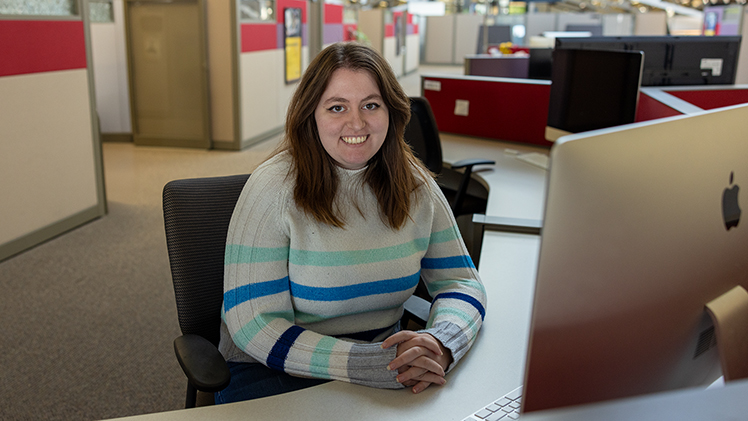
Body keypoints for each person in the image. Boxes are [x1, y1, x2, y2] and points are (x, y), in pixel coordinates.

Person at [216, 42, 486, 404]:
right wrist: (367, 364)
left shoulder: (414, 184)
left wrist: (442, 341)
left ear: (391, 111)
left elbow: (461, 282)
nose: (356, 123)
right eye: (337, 107)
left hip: (383, 361)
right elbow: (255, 325)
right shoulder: (273, 190)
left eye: (371, 105)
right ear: (311, 113)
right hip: (274, 369)